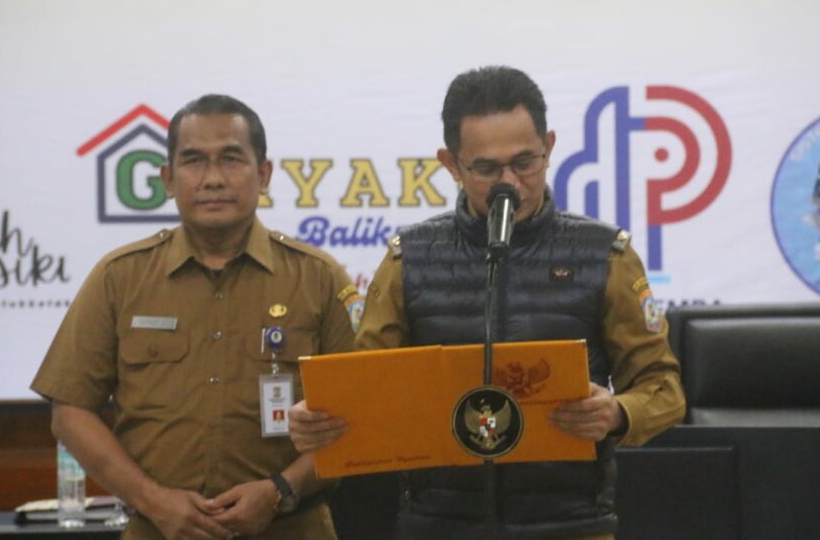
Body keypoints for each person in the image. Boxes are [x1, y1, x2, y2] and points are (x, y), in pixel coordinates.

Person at [290, 66, 686, 540]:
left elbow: (664, 388)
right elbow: (365, 389)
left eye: (525, 162)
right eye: (487, 169)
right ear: (451, 165)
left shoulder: (604, 255)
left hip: (569, 524)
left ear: (549, 147)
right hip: (439, 524)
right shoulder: (409, 259)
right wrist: (320, 418)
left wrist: (618, 412)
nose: (510, 184)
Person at [32, 94, 357, 540]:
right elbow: (70, 412)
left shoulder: (318, 278)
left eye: (231, 159)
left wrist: (281, 490)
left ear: (263, 175)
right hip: (157, 529)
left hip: (292, 527)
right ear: (168, 179)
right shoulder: (119, 277)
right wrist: (152, 499)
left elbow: (362, 419)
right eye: (194, 161)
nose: (213, 179)